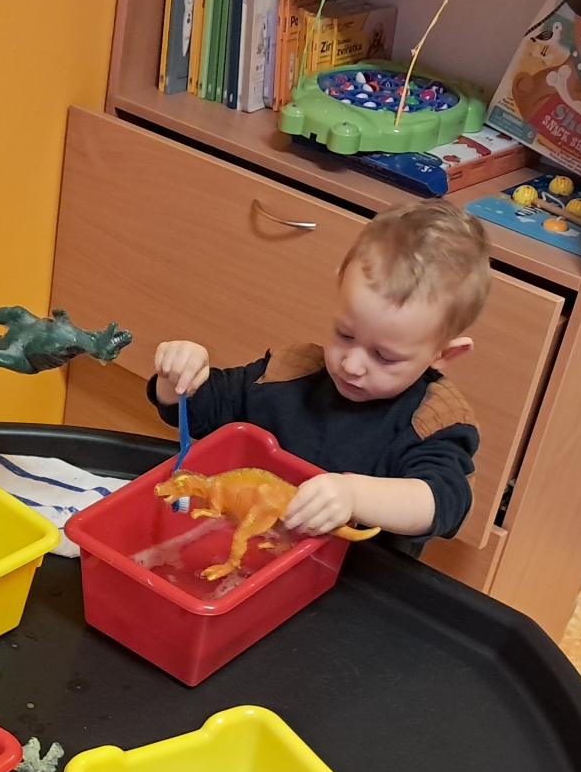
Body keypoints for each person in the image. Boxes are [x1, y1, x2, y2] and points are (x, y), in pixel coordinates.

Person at [148, 202, 491, 552]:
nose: (352, 365)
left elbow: (444, 501)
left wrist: (354, 495)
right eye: (345, 335)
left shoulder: (433, 420)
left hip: (355, 574)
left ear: (443, 355)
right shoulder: (290, 372)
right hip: (252, 553)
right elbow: (199, 409)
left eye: (384, 357)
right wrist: (179, 375)